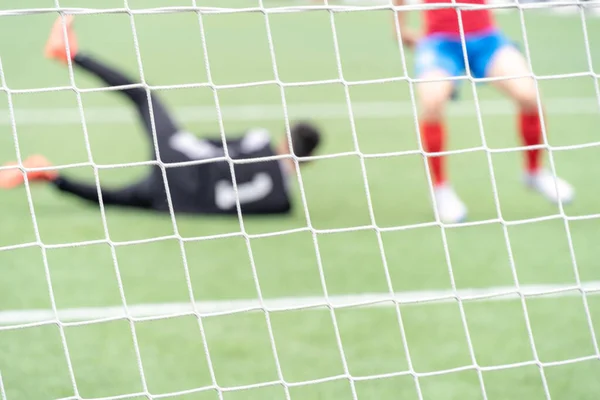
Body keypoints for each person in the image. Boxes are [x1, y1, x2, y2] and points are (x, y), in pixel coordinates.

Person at [0, 16, 321, 216]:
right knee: (114, 199)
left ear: (285, 137)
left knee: (144, 97)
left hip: (181, 160)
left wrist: (177, 143)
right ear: (309, 161)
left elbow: (211, 145)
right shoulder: (283, 204)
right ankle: (51, 177)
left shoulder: (261, 141)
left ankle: (72, 54)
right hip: (176, 202)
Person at [393, 0, 574, 223]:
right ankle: (440, 190)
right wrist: (399, 28)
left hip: (486, 38)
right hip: (440, 41)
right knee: (431, 100)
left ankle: (534, 172)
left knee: (528, 94)